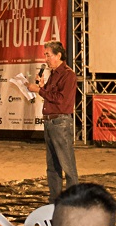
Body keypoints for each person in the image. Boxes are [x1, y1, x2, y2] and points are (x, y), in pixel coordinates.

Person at [26, 39, 78, 202]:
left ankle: (73, 201)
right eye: (45, 55)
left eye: (48, 55)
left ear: (58, 55)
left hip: (60, 123)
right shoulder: (53, 74)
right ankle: (55, 200)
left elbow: (61, 100)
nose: (46, 59)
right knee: (52, 166)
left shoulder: (68, 74)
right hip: (50, 122)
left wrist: (40, 90)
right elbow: (50, 95)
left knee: (67, 165)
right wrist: (42, 86)